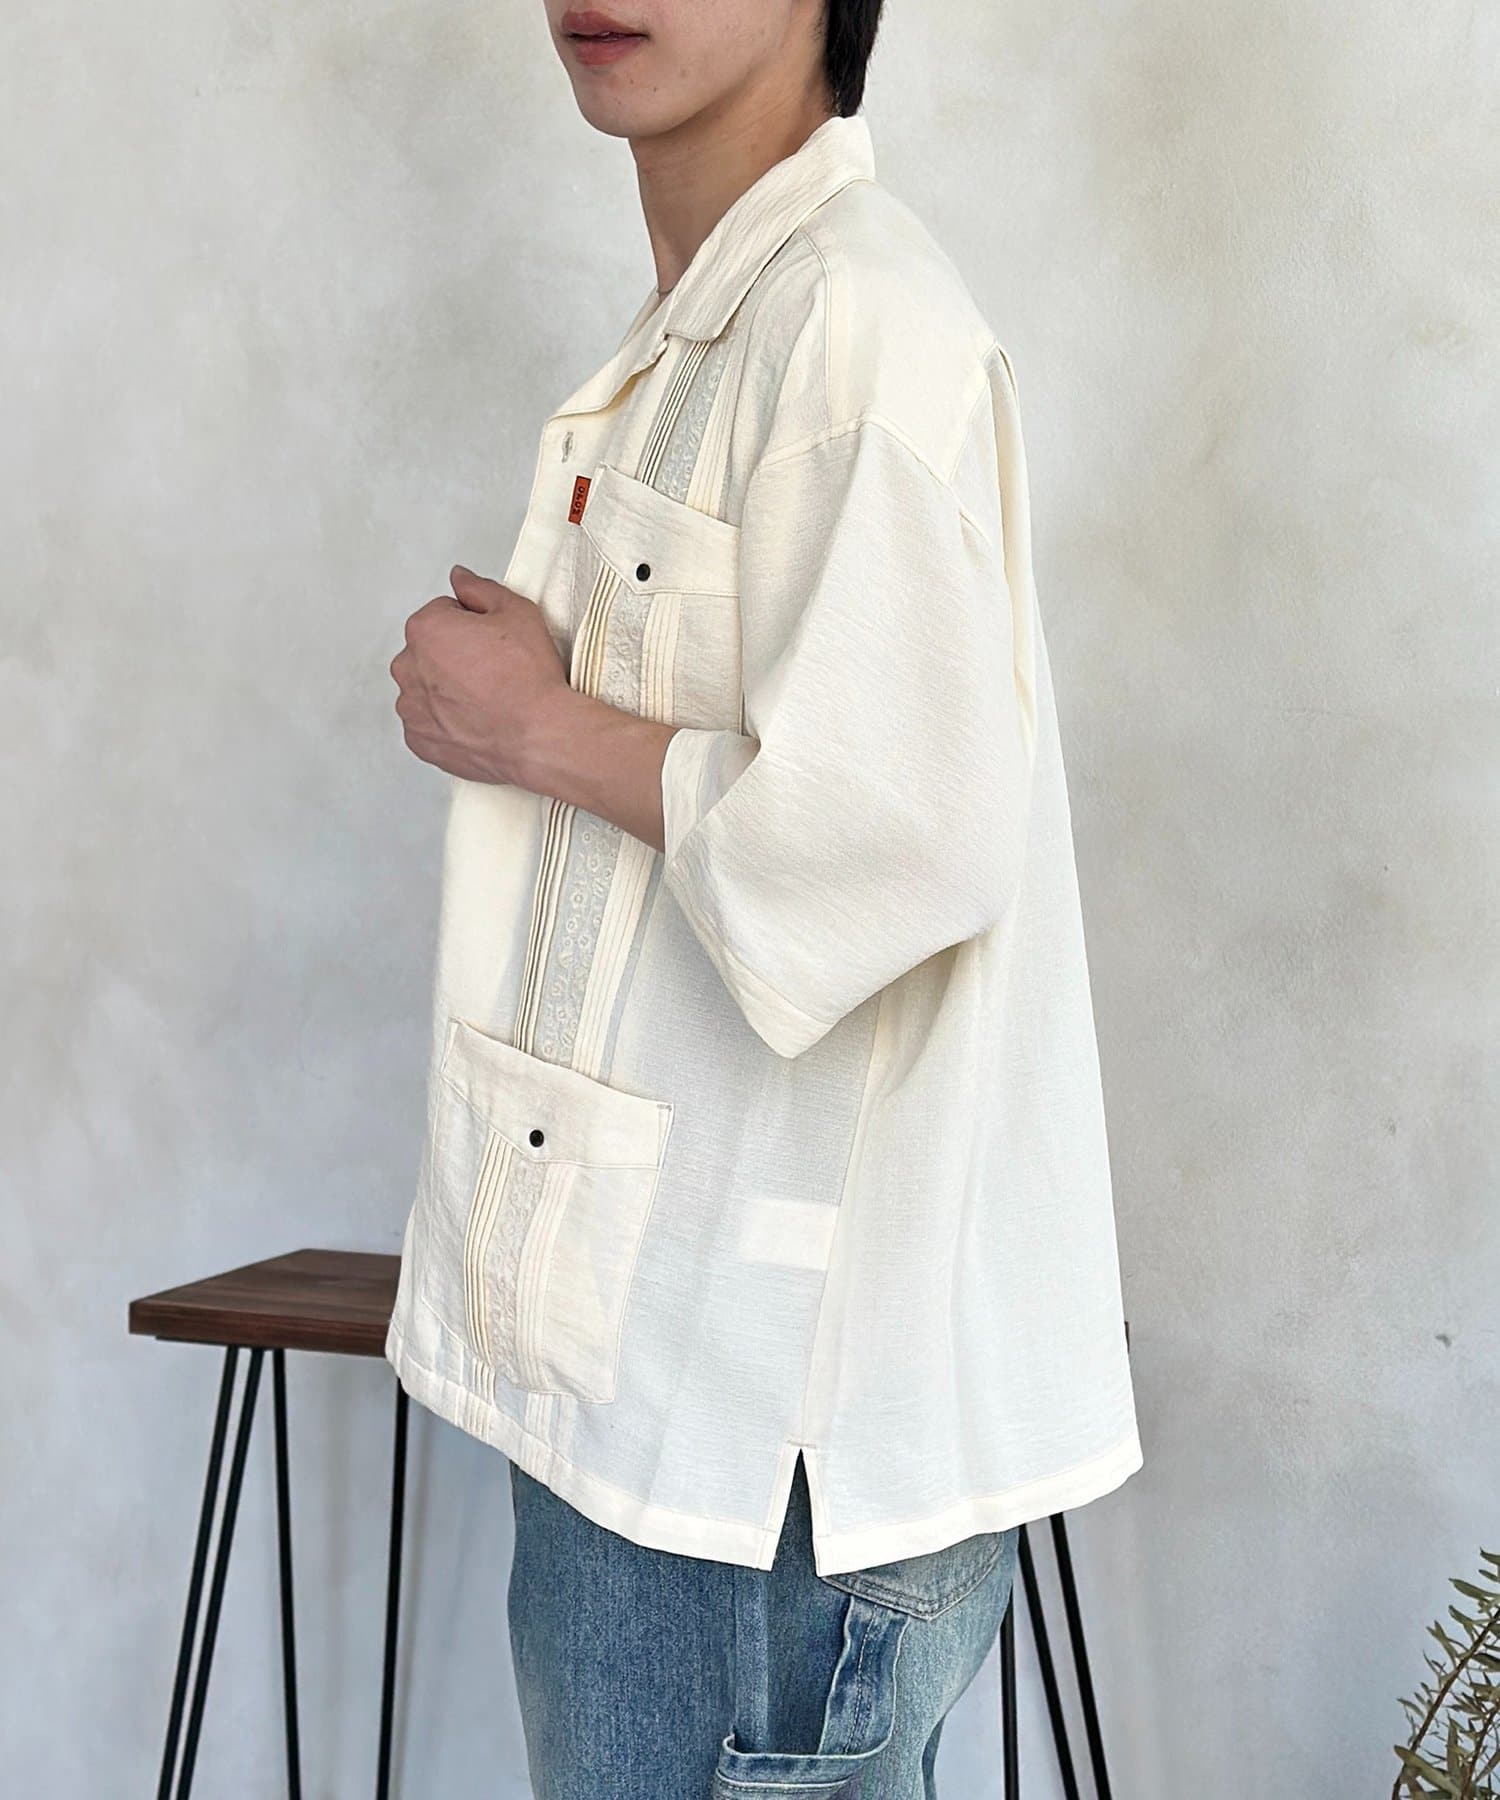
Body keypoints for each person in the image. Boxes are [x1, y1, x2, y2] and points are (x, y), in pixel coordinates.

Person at [384, 0, 1143, 1792]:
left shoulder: (857, 327)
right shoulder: (735, 320)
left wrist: (537, 725)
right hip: (685, 1407)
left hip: (755, 1463)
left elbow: (905, 837)